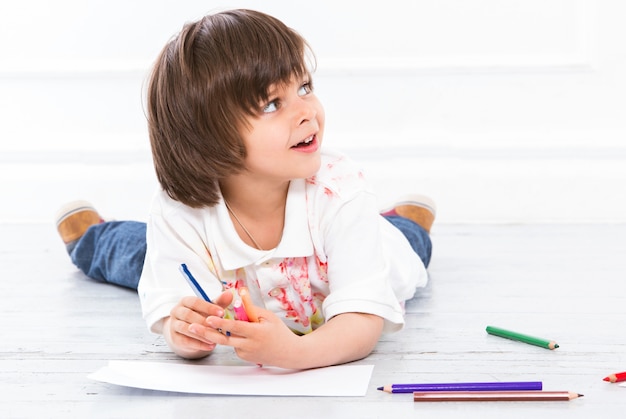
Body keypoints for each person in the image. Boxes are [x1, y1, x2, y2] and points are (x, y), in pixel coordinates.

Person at [55, 9, 436, 369]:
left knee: (405, 246)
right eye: (272, 103)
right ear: (208, 138)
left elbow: (362, 322)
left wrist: (295, 352)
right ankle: (93, 237)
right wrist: (185, 332)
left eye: (304, 86)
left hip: (370, 252)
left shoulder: (341, 194)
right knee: (139, 257)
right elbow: (175, 311)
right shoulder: (180, 212)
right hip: (220, 264)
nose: (307, 111)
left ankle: (405, 221)